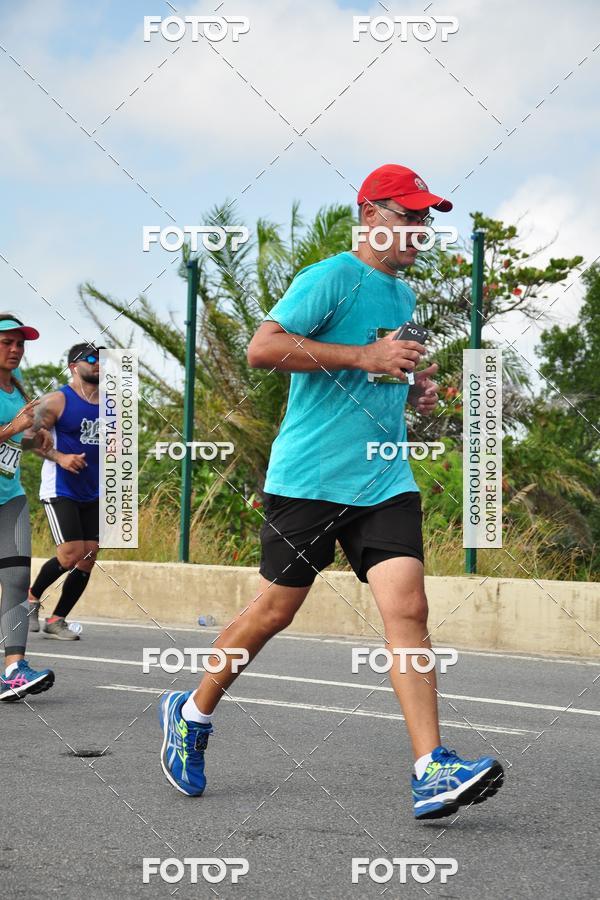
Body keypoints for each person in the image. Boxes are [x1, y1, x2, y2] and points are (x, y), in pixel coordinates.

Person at [157, 164, 505, 819]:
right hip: (310, 479)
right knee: (274, 612)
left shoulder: (401, 297)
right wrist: (366, 358)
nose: (419, 231)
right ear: (370, 215)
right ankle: (193, 712)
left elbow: (374, 377)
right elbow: (264, 348)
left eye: (425, 219)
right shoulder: (330, 278)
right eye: (408, 217)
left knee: (409, 610)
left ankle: (431, 768)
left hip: (383, 478)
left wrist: (409, 387)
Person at [27, 343, 102, 640]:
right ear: (73, 366)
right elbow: (29, 439)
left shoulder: (111, 404)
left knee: (88, 556)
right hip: (61, 488)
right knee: (70, 555)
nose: (98, 363)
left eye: (103, 359)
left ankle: (57, 619)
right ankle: (30, 599)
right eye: (92, 358)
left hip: (94, 490)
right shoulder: (57, 400)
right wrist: (61, 458)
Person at [0, 313, 55, 701]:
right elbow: (11, 431)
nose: (15, 349)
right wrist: (14, 428)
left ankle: (14, 670)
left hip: (11, 497)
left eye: (20, 344)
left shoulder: (16, 387)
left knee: (18, 579)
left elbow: (18, 441)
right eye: (7, 342)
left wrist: (37, 439)